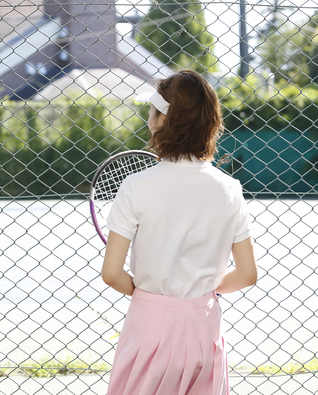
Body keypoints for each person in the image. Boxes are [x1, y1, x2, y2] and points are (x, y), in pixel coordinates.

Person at [101, 70, 258, 395]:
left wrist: (153, 296)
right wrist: (197, 290)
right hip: (204, 326)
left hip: (149, 324)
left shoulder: (135, 186)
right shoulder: (229, 189)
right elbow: (246, 275)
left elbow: (112, 274)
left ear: (161, 120)